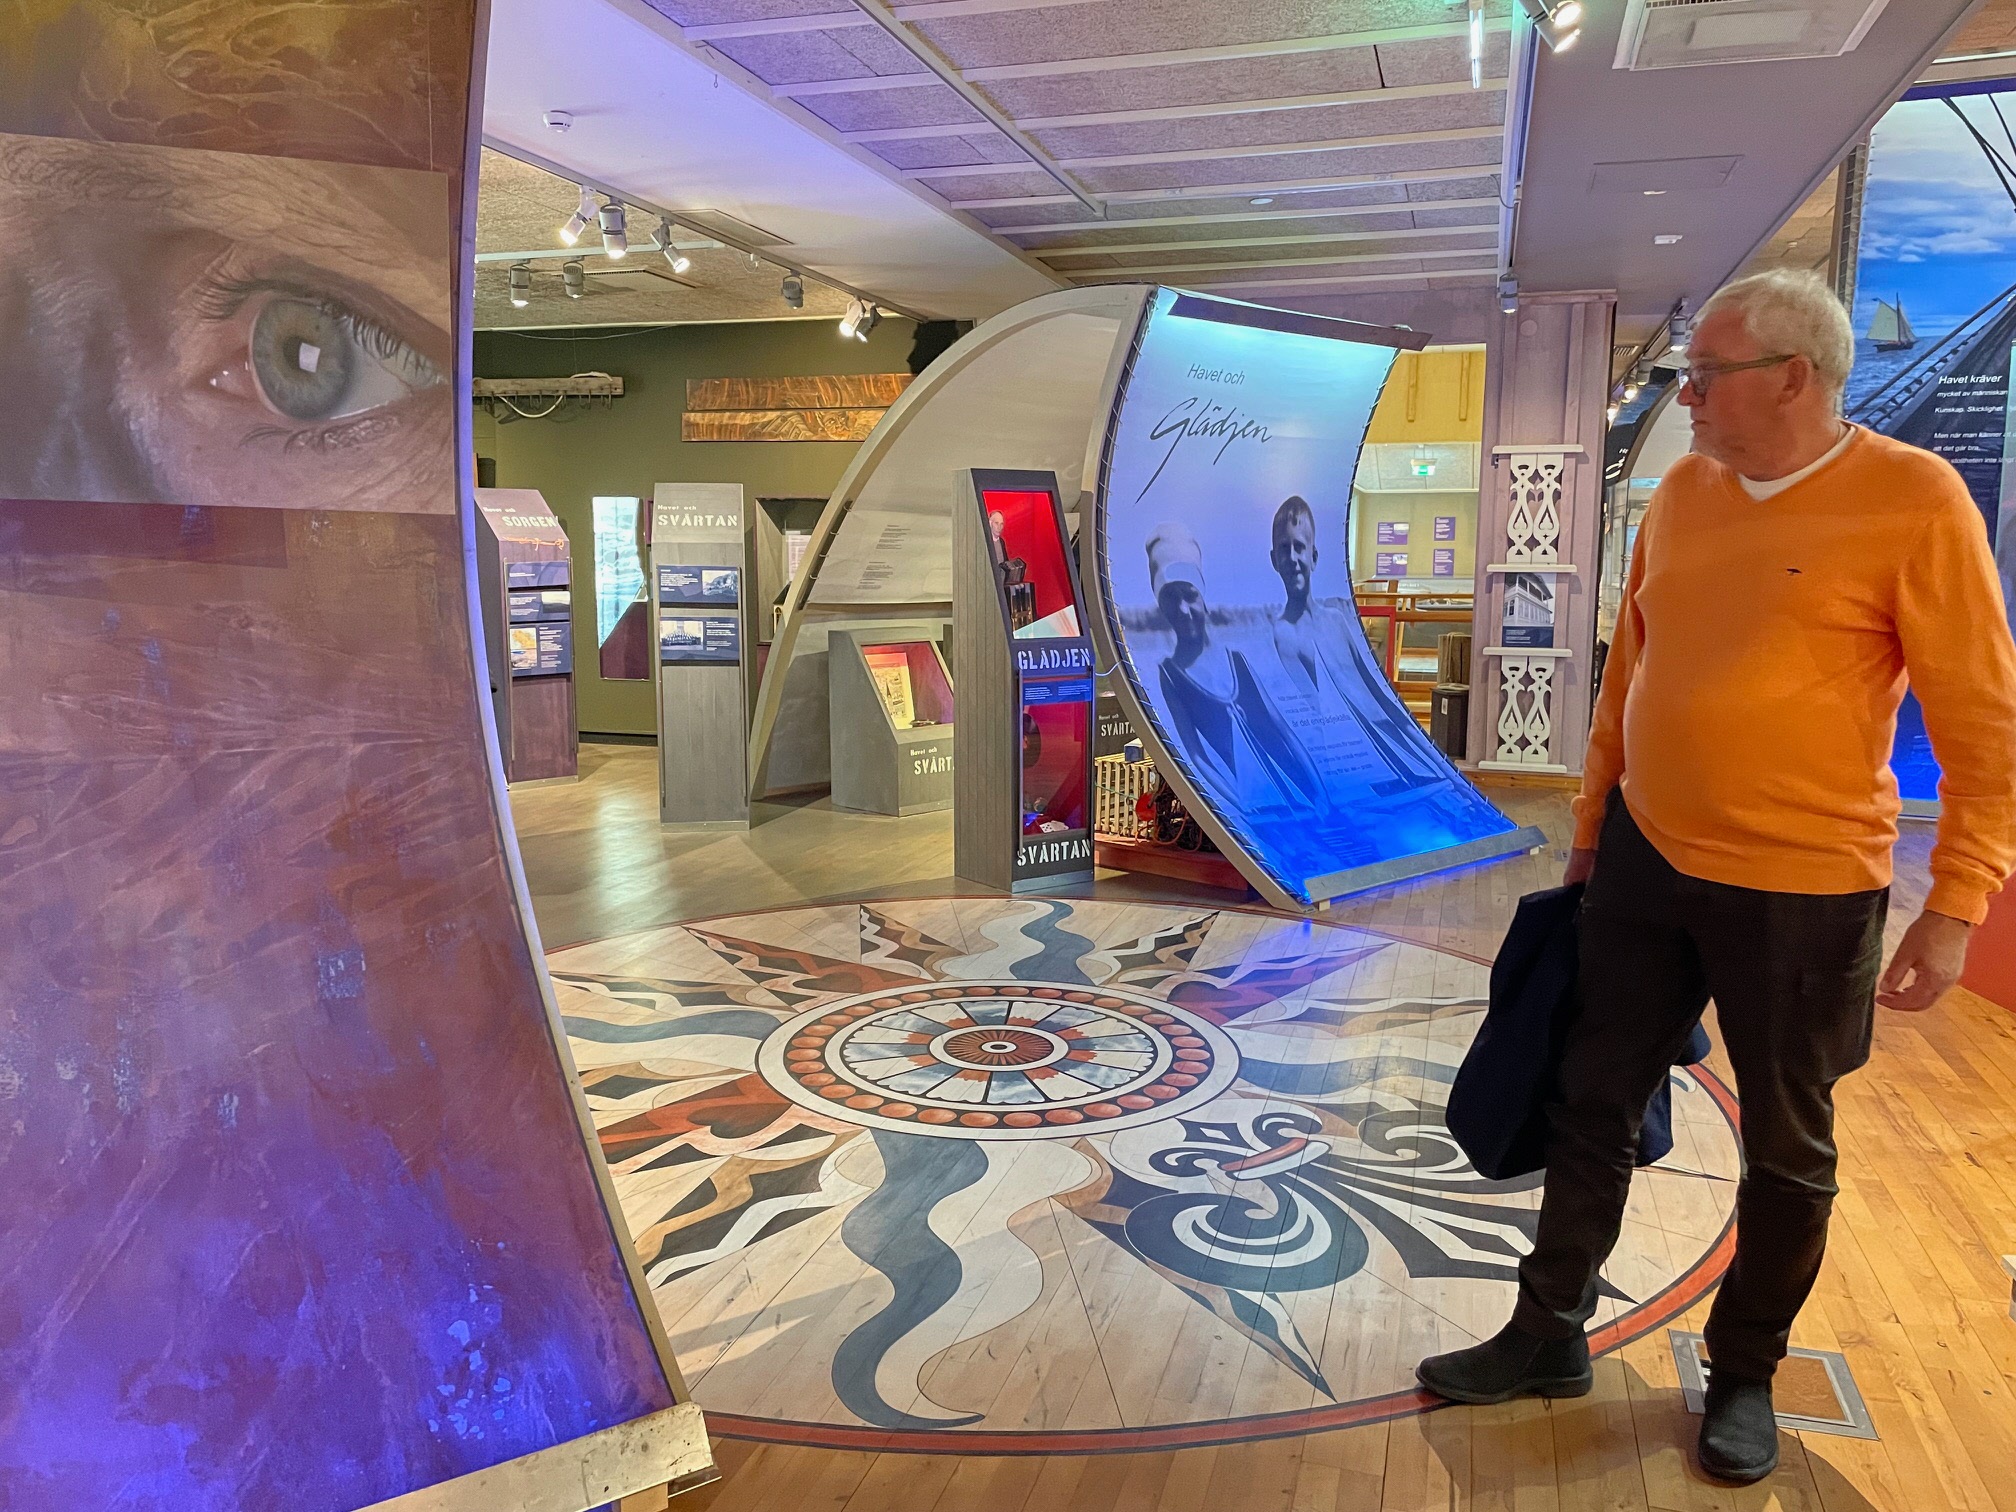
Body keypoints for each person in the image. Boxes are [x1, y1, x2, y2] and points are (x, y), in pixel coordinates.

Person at [1416, 268, 2016, 1483]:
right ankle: (1549, 1330)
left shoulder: (1915, 500)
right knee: (1590, 1100)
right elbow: (1630, 678)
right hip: (1647, 860)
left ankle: (1744, 1373)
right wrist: (1593, 830)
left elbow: (1985, 726)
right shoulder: (1684, 494)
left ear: (1794, 378)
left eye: (1705, 377)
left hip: (1808, 885)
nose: (1684, 398)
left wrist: (1955, 905)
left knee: (1789, 1146)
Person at [1146, 521, 1323, 821]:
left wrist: (1321, 796)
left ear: (1202, 596)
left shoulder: (1236, 661)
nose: (1183, 609)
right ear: (1161, 606)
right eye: (1170, 598)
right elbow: (1197, 756)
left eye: (1189, 595)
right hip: (1252, 811)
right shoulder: (1171, 676)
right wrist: (1236, 810)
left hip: (1295, 803)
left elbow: (1283, 731)